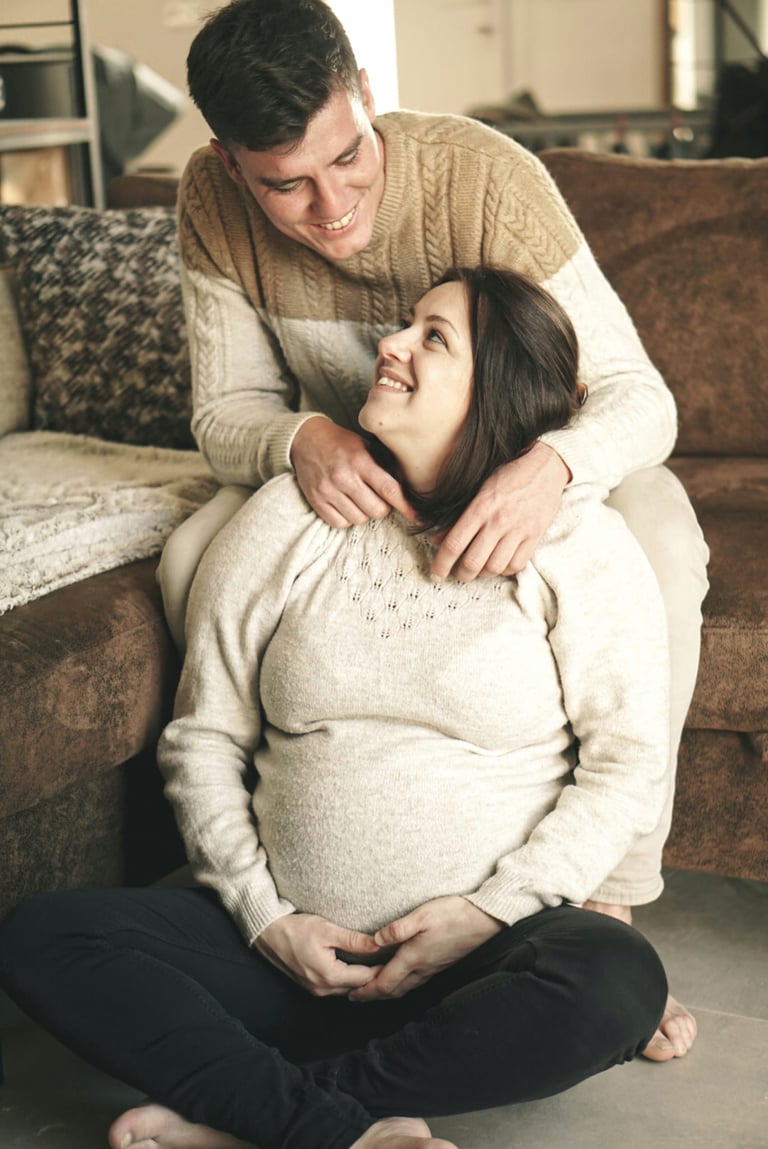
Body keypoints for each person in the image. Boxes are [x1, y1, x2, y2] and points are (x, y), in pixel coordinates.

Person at [1, 266, 672, 1149]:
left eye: (434, 337)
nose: (389, 345)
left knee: (618, 978)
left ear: (500, 387)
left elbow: (626, 765)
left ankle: (268, 1113)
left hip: (476, 964)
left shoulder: (579, 545)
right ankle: (336, 1125)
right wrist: (265, 918)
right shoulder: (292, 517)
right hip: (282, 965)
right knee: (43, 935)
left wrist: (488, 914)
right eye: (406, 324)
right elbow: (203, 738)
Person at [158, 0, 707, 1058]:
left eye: (348, 158)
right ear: (230, 165)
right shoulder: (208, 203)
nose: (331, 207)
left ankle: (604, 892)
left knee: (664, 544)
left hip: (526, 454)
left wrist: (550, 469)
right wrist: (299, 439)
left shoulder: (483, 177)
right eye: (286, 184)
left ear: (365, 93)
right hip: (349, 462)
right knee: (189, 554)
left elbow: (641, 397)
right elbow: (225, 411)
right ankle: (251, 863)